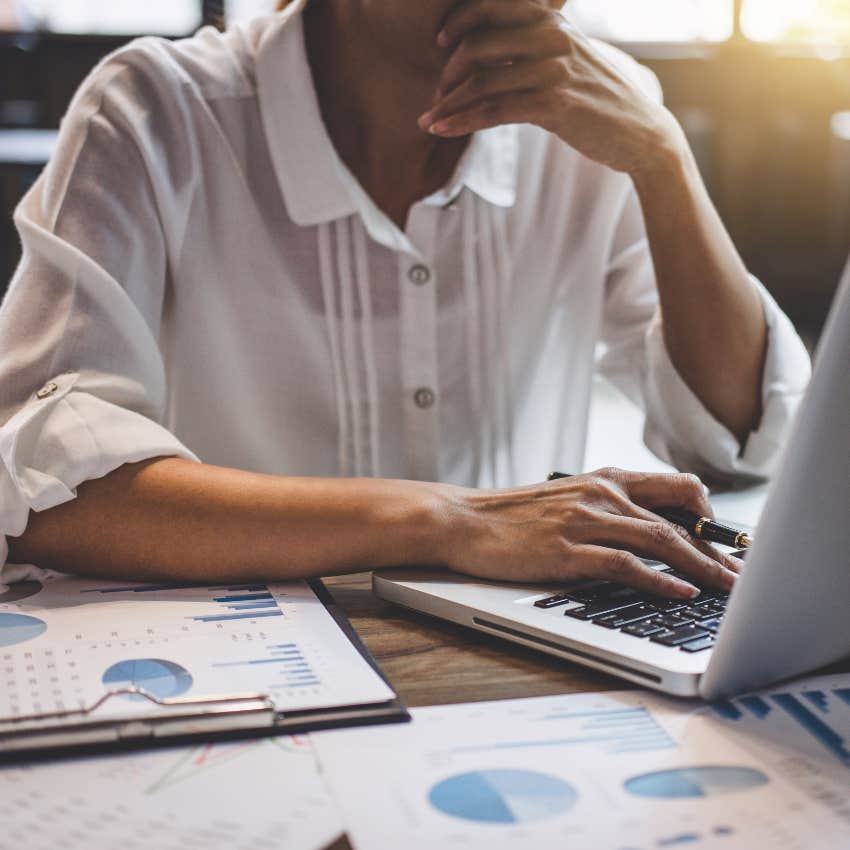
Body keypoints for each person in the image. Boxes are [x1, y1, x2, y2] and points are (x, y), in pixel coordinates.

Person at [0, 0, 810, 598]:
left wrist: (663, 162)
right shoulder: (155, 111)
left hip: (520, 655)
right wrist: (449, 520)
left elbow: (737, 438)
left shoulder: (597, 112)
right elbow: (46, 487)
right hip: (245, 663)